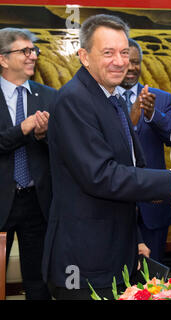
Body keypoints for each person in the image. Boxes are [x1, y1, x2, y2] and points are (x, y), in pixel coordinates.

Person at [42, 14, 171, 300]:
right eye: (108, 53)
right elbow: (101, 175)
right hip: (84, 263)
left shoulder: (110, 98)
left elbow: (127, 168)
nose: (120, 61)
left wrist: (135, 240)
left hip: (115, 252)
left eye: (124, 52)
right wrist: (168, 180)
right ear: (84, 56)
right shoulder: (74, 100)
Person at [117, 38, 171, 263]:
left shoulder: (160, 98)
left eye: (136, 62)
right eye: (126, 61)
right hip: (114, 204)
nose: (131, 67)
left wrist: (153, 115)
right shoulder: (101, 98)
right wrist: (132, 122)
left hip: (153, 206)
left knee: (153, 282)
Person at [0, 28, 55, 300]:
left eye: (34, 51)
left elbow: (61, 150)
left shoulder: (48, 97)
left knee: (38, 282)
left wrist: (44, 136)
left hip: (38, 201)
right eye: (24, 51)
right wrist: (23, 128)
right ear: (3, 59)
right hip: (1, 201)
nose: (32, 56)